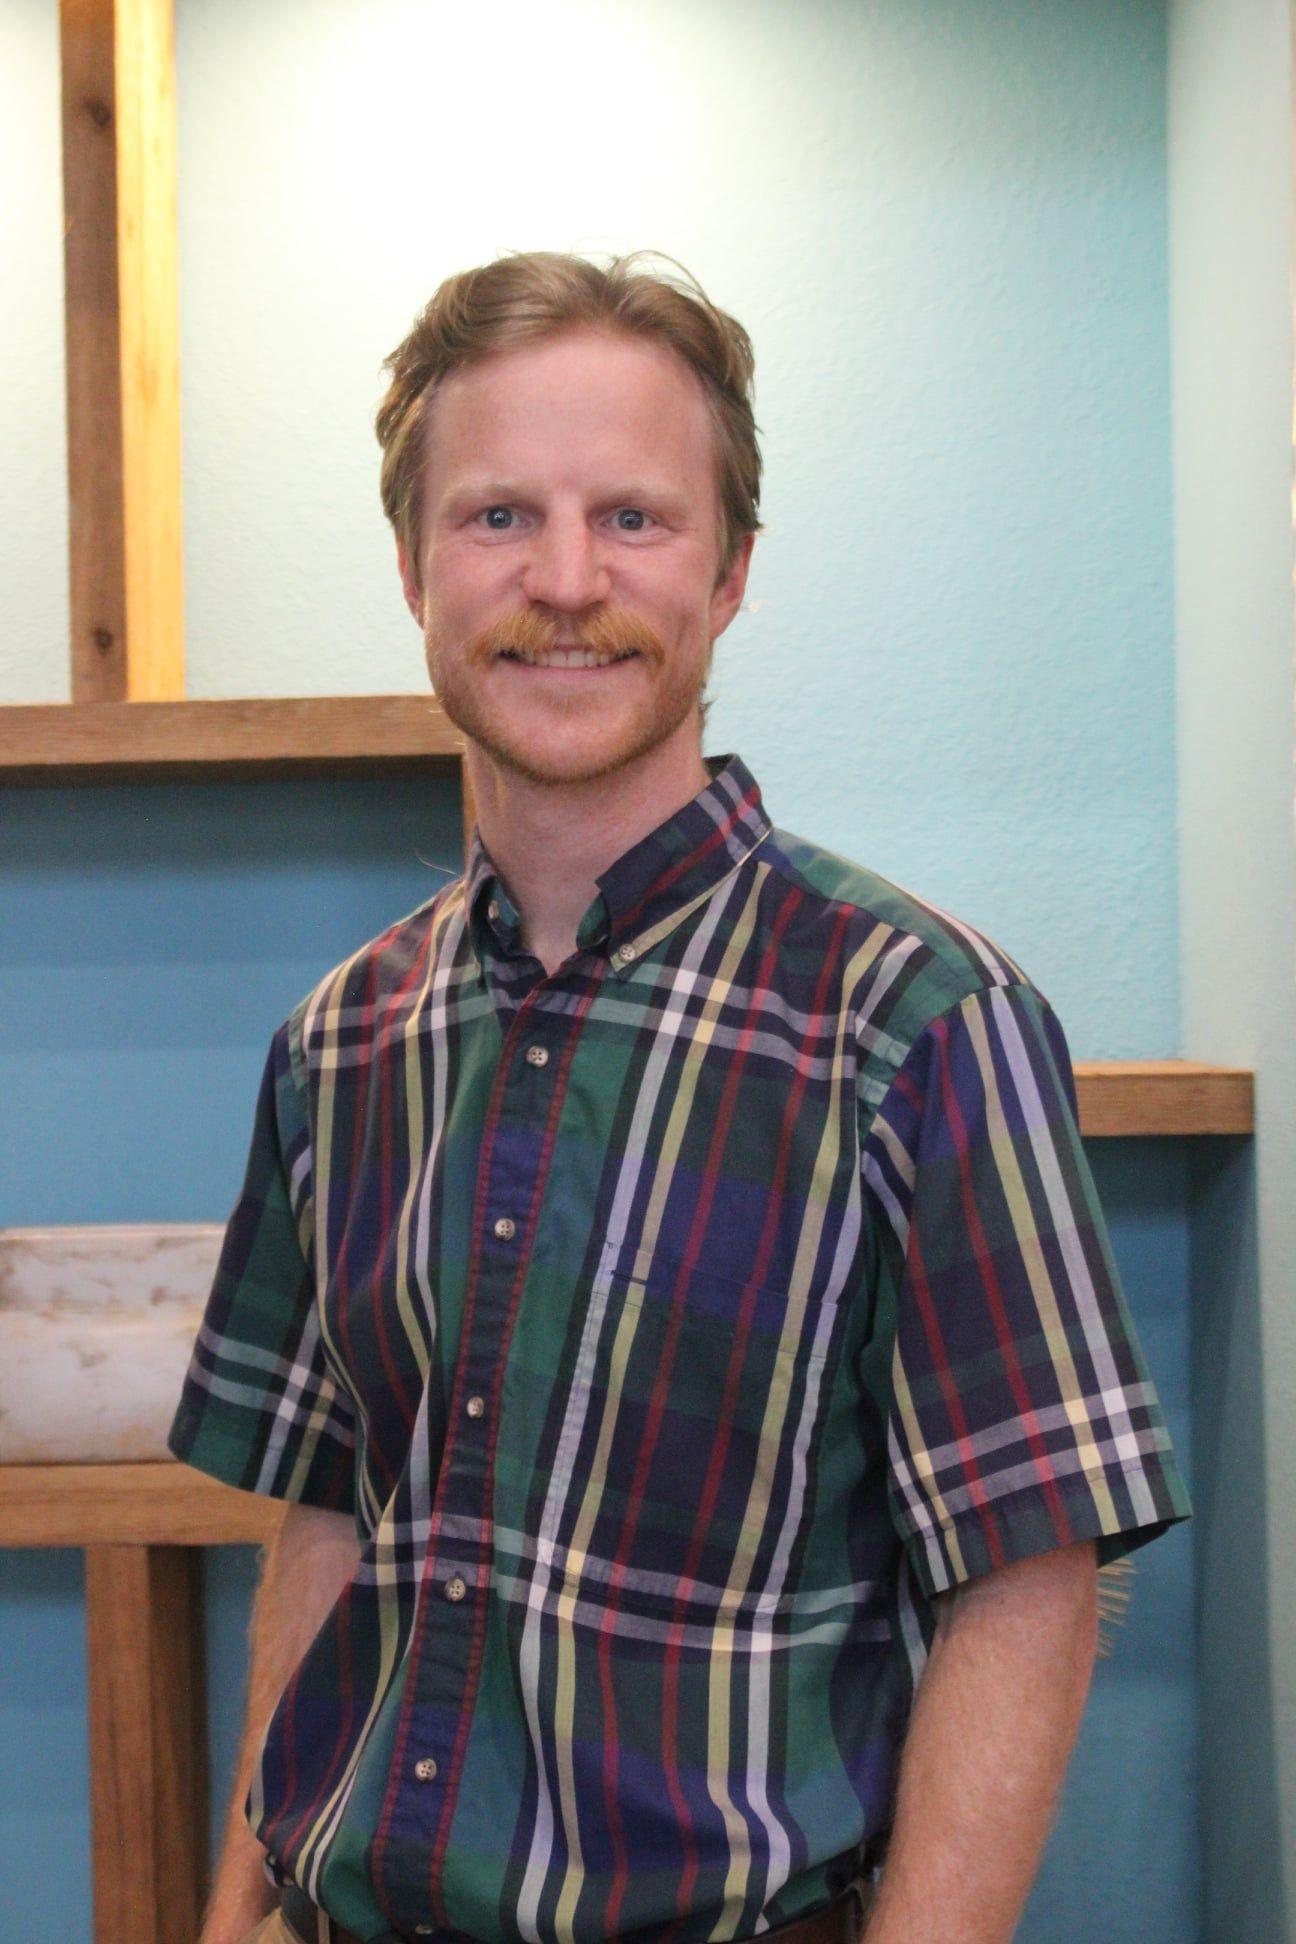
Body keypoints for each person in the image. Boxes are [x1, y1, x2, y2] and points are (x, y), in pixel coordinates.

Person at [169, 252, 1190, 1944]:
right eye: (499, 516)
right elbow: (334, 1516)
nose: (565, 581)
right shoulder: (342, 1046)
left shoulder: (919, 1025)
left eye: (632, 519)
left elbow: (1032, 1577)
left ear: (730, 576)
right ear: (415, 566)